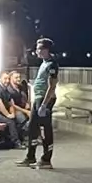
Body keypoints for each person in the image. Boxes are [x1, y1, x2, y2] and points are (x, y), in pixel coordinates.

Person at [19, 38, 58, 168]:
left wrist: (44, 105)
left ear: (47, 50)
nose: (37, 51)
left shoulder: (52, 64)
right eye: (37, 48)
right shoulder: (43, 63)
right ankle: (30, 157)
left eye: (40, 48)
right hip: (39, 98)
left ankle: (46, 159)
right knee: (32, 128)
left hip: (45, 100)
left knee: (46, 129)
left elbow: (52, 86)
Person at [0, 71, 26, 148]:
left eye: (8, 79)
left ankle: (14, 139)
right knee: (10, 122)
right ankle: (16, 143)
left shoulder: (6, 90)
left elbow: (10, 103)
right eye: (5, 79)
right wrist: (8, 115)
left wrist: (12, 114)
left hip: (3, 113)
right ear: (0, 79)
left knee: (18, 119)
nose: (7, 81)